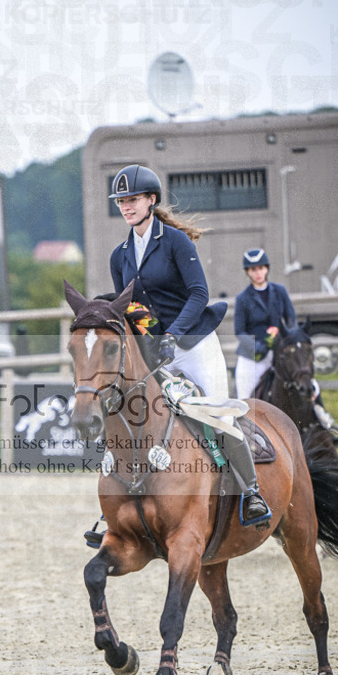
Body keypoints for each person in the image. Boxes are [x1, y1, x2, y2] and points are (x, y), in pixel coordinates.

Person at [106, 163, 271, 527]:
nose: (126, 206)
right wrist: (148, 337)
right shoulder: (119, 255)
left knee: (218, 416)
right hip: (156, 350)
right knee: (137, 415)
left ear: (151, 200)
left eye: (132, 199)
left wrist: (173, 334)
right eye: (121, 201)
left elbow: (199, 293)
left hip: (194, 342)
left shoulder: (176, 242)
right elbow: (129, 305)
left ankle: (251, 491)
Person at [234, 248, 335, 429]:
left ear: (267, 269)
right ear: (247, 272)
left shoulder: (279, 291)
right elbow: (239, 331)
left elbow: (291, 319)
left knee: (307, 379)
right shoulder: (243, 298)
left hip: (280, 350)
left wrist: (288, 338)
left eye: (261, 268)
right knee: (245, 395)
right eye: (253, 269)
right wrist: (259, 346)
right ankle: (245, 427)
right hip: (253, 355)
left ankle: (322, 417)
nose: (258, 273)